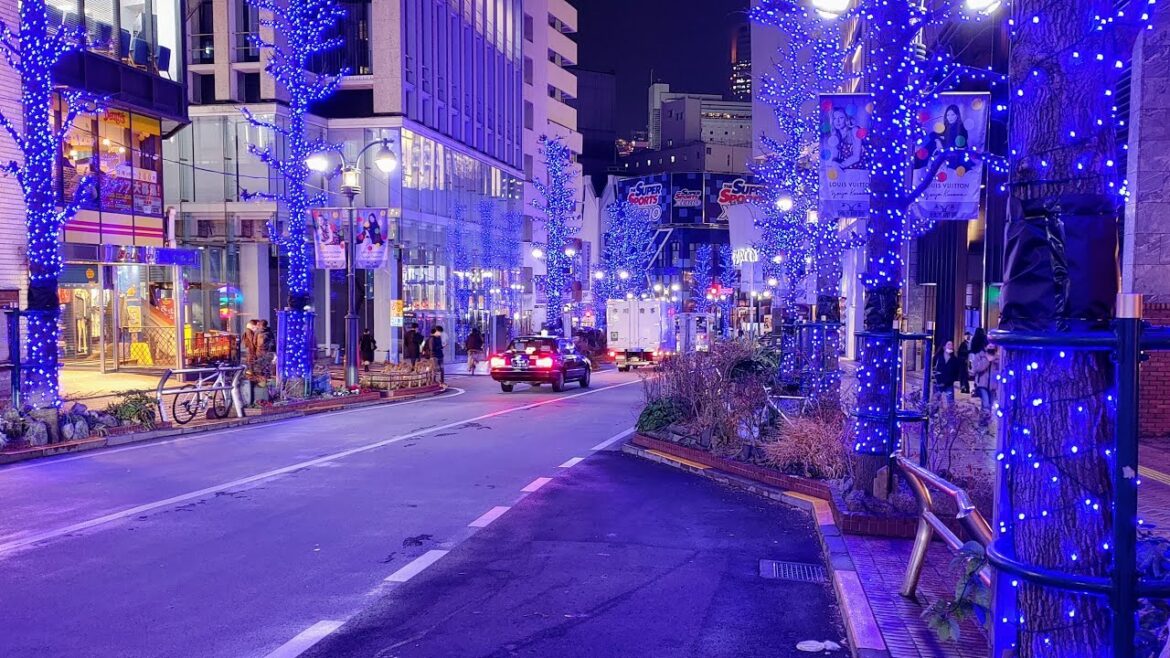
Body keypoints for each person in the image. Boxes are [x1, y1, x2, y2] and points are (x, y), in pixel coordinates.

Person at [969, 329, 999, 426]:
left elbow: (1000, 370)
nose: (991, 347)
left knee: (990, 406)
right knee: (986, 404)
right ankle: (983, 425)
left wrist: (995, 360)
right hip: (982, 384)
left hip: (993, 385)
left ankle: (984, 423)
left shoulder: (997, 358)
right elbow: (976, 369)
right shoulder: (980, 356)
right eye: (989, 345)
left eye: (992, 345)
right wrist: (987, 360)